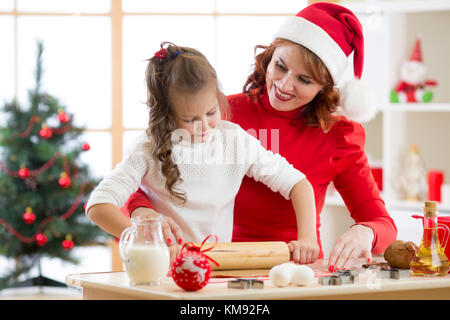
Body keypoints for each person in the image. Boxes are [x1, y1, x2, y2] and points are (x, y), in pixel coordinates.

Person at [126, 3, 398, 272]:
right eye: (280, 66)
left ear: (325, 88)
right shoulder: (219, 115)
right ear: (269, 57)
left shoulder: (338, 136)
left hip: (295, 272)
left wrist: (365, 233)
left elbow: (382, 223)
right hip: (214, 264)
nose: (284, 84)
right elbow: (140, 182)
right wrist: (143, 213)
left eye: (304, 80)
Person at [86, 42, 320, 264]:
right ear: (166, 115)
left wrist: (307, 238)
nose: (205, 126)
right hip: (162, 269)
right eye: (190, 119)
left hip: (217, 267)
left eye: (211, 112)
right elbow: (98, 205)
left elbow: (298, 184)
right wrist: (143, 237)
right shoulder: (147, 148)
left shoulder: (234, 139)